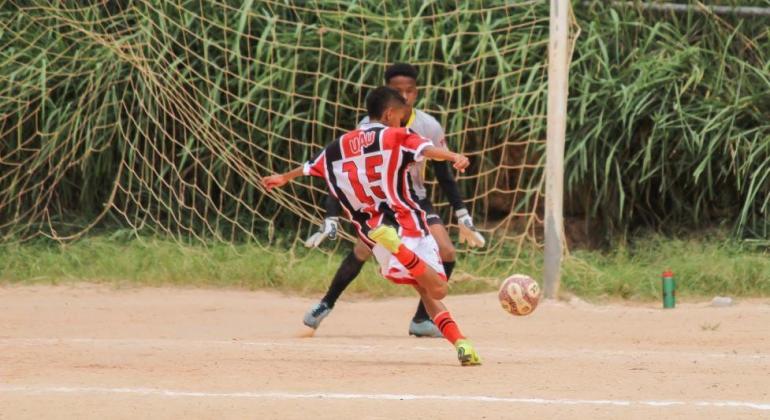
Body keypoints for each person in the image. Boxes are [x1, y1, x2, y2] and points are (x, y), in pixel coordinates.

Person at [262, 86, 482, 366]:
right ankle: (401, 251)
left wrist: (283, 177)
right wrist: (454, 157)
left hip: (373, 232)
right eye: (400, 117)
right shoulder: (397, 135)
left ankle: (461, 343)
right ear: (390, 113)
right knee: (438, 289)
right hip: (404, 221)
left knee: (423, 289)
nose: (401, 122)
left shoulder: (339, 145)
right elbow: (426, 149)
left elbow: (309, 167)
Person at [303, 63, 485, 338]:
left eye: (409, 91)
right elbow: (345, 174)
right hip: (382, 202)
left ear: (416, 92)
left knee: (447, 251)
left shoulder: (428, 126)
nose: (405, 96)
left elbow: (443, 174)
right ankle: (326, 303)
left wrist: (461, 213)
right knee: (362, 250)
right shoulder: (368, 128)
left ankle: (422, 319)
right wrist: (331, 215)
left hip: (415, 200)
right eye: (398, 91)